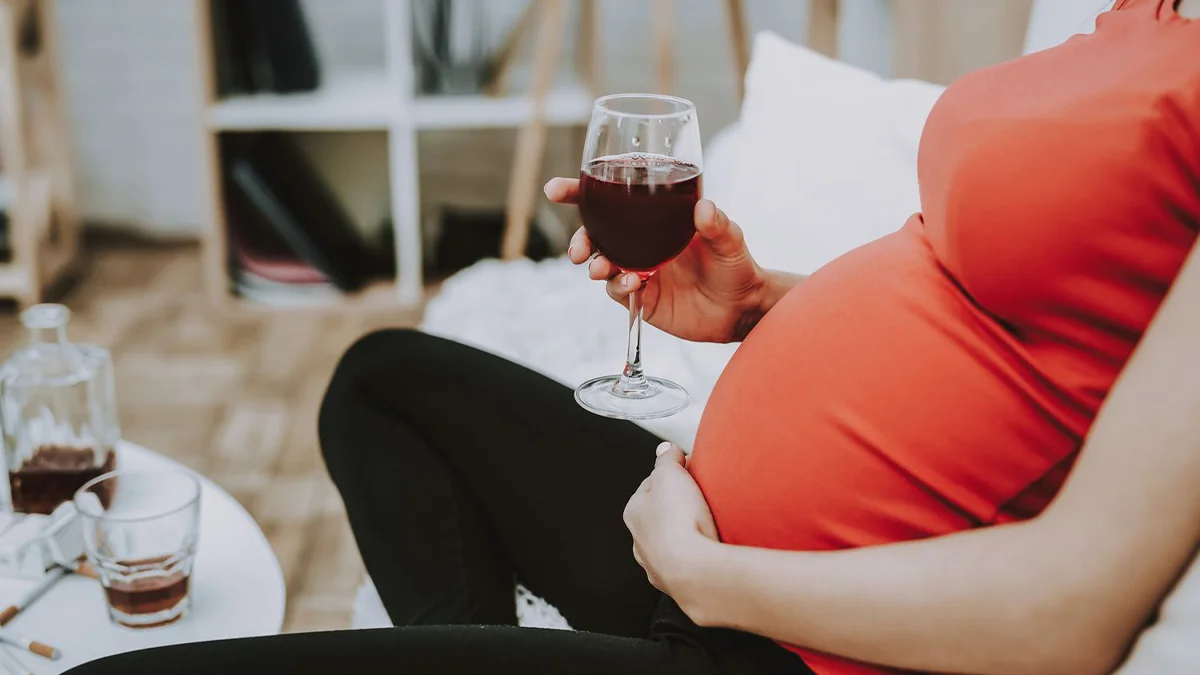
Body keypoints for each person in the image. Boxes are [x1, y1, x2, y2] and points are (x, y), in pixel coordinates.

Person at [67, 1, 1200, 674]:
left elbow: (1077, 609)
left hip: (795, 638)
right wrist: (761, 303)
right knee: (385, 380)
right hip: (716, 544)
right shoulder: (1148, 20)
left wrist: (714, 580)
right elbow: (1010, 316)